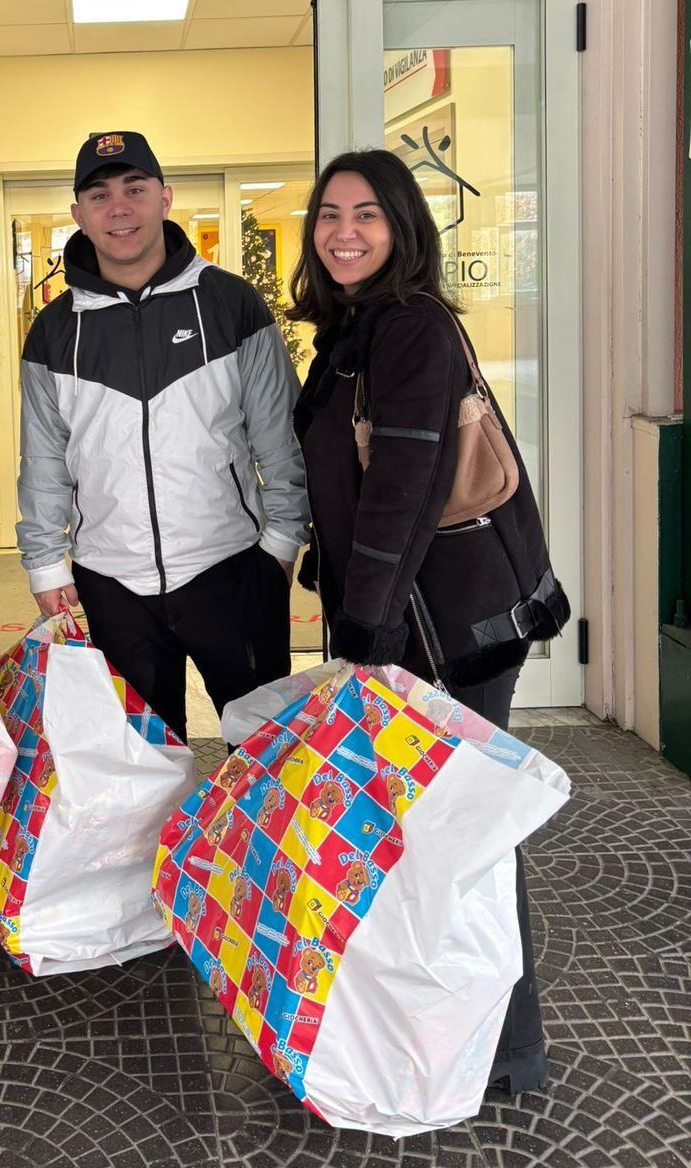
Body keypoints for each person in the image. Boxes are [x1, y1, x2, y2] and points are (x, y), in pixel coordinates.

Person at [288, 147, 570, 1097]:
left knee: (468, 840)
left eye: (368, 214)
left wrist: (364, 636)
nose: (344, 232)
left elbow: (404, 490)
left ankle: (508, 1049)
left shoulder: (408, 328)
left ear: (405, 229)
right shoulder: (356, 330)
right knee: (439, 833)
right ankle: (460, 1032)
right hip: (415, 621)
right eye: (330, 214)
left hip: (445, 632)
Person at [17, 130, 310, 742]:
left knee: (266, 753)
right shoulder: (53, 329)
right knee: (143, 766)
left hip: (229, 567)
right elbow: (44, 457)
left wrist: (282, 542)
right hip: (111, 582)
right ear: (79, 214)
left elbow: (280, 436)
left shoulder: (231, 304)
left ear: (165, 198)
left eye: (135, 188)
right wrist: (46, 564)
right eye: (99, 194)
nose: (118, 207)